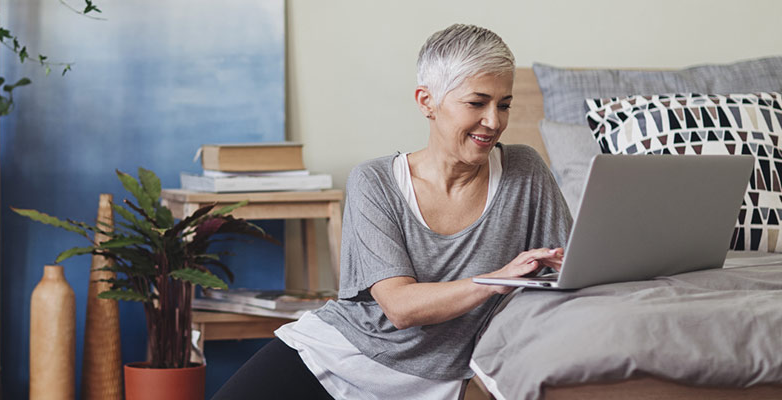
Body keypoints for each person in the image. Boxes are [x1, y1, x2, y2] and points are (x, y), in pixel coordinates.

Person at [212, 24, 572, 399]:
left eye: (504, 104)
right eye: (477, 103)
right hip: (339, 357)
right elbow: (400, 307)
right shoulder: (375, 182)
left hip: (440, 382)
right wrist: (498, 279)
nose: (494, 121)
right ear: (426, 101)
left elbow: (574, 269)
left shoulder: (525, 171)